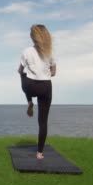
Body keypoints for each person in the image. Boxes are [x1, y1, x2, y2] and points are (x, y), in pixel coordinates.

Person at [18, 24, 56, 160]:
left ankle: (29, 101)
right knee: (43, 122)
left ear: (33, 37)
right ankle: (39, 153)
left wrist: (27, 74)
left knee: (23, 77)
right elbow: (54, 72)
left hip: (30, 86)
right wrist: (45, 74)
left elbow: (20, 70)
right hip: (45, 87)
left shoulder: (27, 51)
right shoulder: (50, 52)